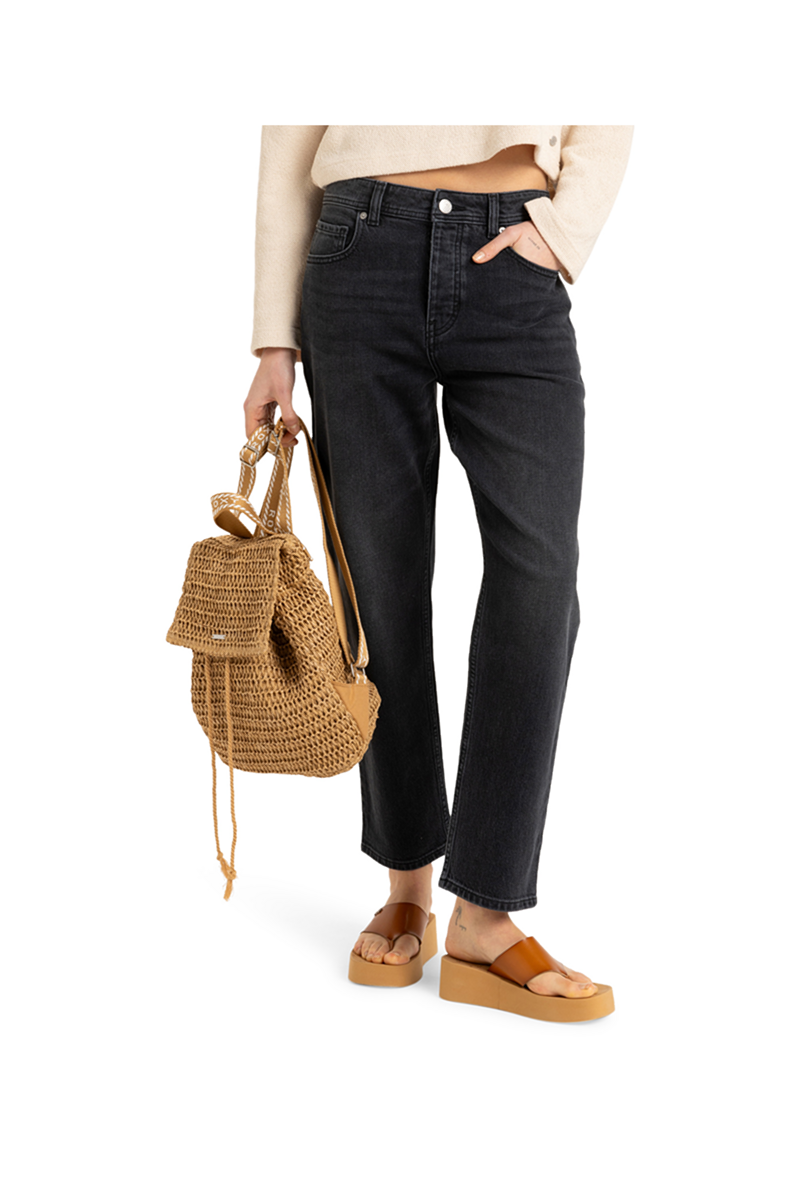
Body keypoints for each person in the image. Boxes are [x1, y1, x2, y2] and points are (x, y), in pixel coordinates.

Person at [243, 126, 634, 1023]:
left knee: (540, 579)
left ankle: (485, 913)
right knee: (376, 581)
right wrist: (274, 342)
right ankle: (406, 879)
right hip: (357, 252)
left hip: (515, 258)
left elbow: (615, 98)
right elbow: (289, 135)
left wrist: (561, 231)